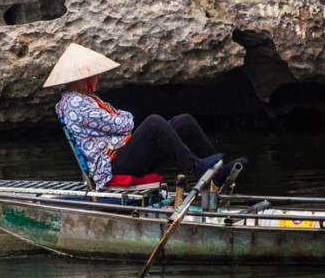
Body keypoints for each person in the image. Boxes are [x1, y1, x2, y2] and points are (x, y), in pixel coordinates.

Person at [43, 43, 247, 190]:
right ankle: (195, 167)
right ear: (83, 77)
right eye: (94, 74)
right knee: (153, 123)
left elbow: (121, 123)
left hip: (123, 154)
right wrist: (123, 117)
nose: (98, 77)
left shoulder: (87, 98)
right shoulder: (74, 103)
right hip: (113, 166)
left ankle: (217, 174)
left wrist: (122, 119)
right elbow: (123, 124)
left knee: (184, 122)